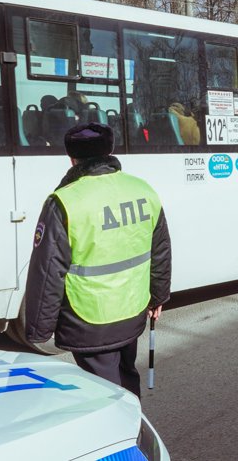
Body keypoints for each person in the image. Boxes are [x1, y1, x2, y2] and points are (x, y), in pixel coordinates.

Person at [24, 122, 172, 397]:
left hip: (89, 319)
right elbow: (160, 249)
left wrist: (37, 331)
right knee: (127, 381)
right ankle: (135, 429)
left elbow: (47, 272)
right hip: (132, 309)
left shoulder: (65, 201)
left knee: (104, 394)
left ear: (72, 158)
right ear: (110, 151)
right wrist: (158, 297)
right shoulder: (142, 189)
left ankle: (124, 436)